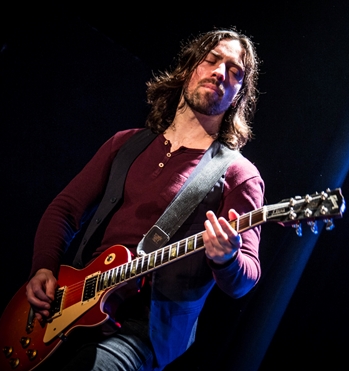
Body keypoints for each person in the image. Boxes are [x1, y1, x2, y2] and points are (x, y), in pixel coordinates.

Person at [25, 29, 264, 371]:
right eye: (211, 59)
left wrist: (227, 258)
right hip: (73, 302)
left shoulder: (240, 174)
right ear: (189, 68)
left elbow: (247, 276)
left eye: (235, 71)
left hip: (143, 329)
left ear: (239, 94)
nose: (220, 72)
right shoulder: (125, 143)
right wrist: (44, 268)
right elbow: (64, 210)